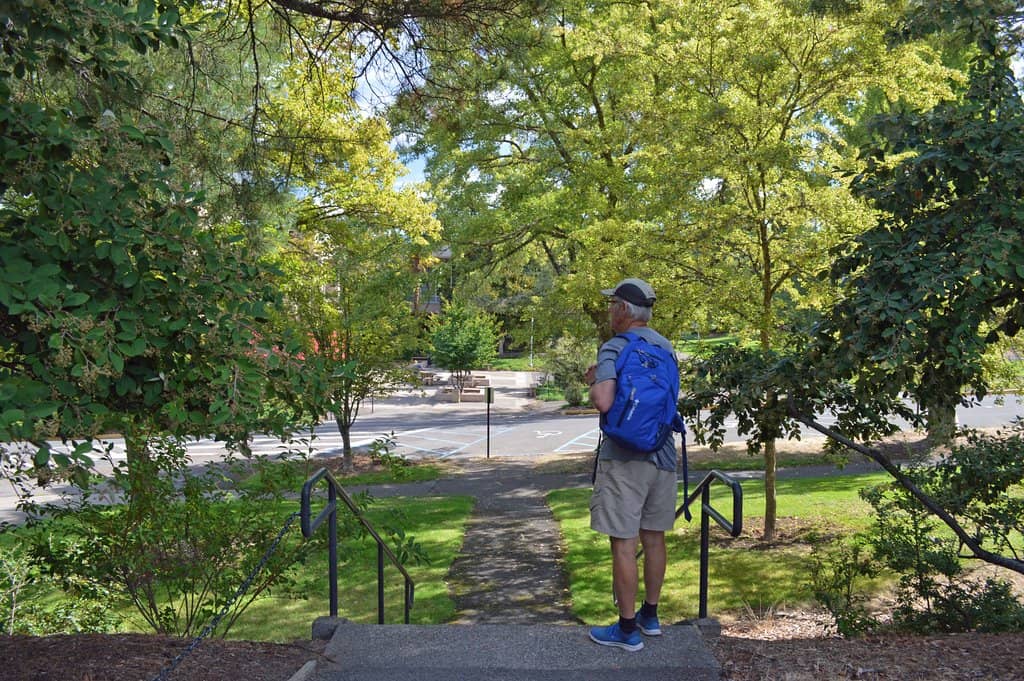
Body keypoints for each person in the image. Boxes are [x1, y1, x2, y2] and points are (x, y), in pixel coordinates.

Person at [583, 278, 679, 652]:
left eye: (612, 305)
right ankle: (649, 617)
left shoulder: (616, 346)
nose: (609, 311)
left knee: (623, 543)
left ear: (624, 309)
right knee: (654, 537)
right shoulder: (665, 347)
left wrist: (594, 380)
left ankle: (626, 630)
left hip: (624, 459)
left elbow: (604, 401)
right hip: (663, 454)